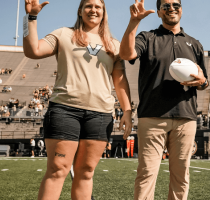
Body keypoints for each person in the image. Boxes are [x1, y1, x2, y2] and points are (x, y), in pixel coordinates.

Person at [23, 0, 132, 199]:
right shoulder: (63, 34)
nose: (93, 10)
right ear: (80, 10)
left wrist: (127, 111)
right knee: (57, 169)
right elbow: (33, 51)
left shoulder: (114, 45)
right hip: (65, 109)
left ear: (104, 12)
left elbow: (120, 81)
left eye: (98, 6)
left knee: (86, 172)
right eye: (88, 5)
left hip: (100, 114)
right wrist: (31, 18)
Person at [120, 0, 208, 199]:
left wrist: (202, 81)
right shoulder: (147, 37)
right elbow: (126, 54)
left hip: (186, 117)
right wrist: (133, 23)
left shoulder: (194, 43)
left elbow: (204, 82)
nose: (171, 9)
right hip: (152, 116)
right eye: (166, 6)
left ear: (181, 10)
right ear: (159, 12)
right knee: (146, 174)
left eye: (175, 5)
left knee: (181, 177)